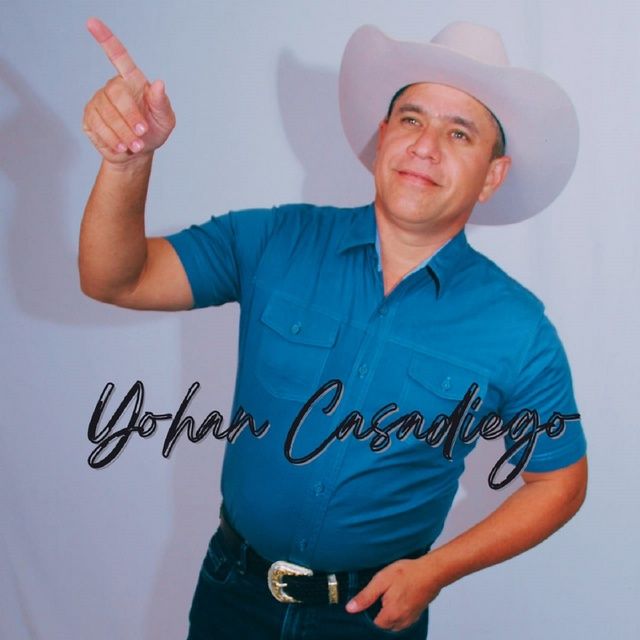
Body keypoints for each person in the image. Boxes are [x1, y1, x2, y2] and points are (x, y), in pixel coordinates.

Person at [80, 17, 588, 640]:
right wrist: (126, 161)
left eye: (460, 133)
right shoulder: (273, 239)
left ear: (492, 174)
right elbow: (117, 278)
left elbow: (559, 482)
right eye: (411, 119)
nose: (426, 146)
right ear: (383, 137)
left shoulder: (518, 329)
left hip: (371, 621)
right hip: (231, 600)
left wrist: (438, 570)